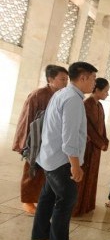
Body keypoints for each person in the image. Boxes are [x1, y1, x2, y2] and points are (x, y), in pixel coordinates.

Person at [31, 62, 98, 240]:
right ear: (83, 78)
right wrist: (75, 166)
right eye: (93, 79)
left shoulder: (61, 93)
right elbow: (69, 137)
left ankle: (39, 233)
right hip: (61, 161)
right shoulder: (73, 100)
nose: (94, 83)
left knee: (47, 197)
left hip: (49, 157)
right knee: (66, 199)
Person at [12, 65, 69, 214]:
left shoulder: (62, 96)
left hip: (53, 143)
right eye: (62, 79)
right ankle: (28, 201)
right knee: (32, 172)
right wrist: (25, 144)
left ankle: (42, 200)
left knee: (47, 174)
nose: (66, 82)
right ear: (50, 79)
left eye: (67, 79)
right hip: (36, 142)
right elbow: (27, 119)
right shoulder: (37, 95)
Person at [73, 78, 110, 216]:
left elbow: (102, 127)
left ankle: (87, 204)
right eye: (106, 91)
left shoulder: (99, 106)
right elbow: (87, 128)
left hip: (96, 148)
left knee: (92, 175)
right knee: (83, 175)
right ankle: (77, 207)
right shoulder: (86, 104)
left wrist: (105, 140)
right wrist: (100, 143)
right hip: (87, 147)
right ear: (98, 90)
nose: (107, 94)